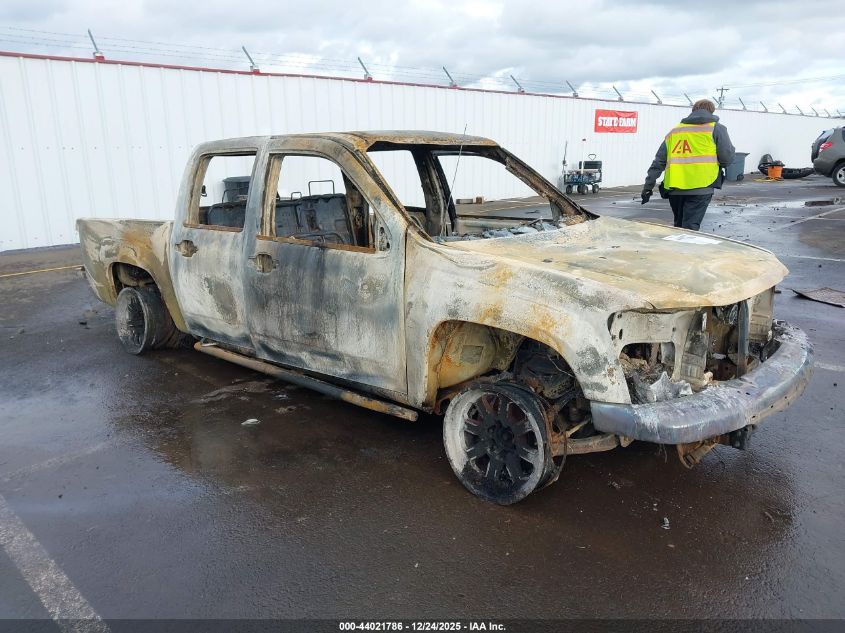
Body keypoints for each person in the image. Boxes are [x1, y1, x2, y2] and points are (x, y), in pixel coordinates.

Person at [641, 99, 735, 231]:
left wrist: (648, 187)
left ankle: (678, 250)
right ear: (711, 111)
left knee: (679, 227)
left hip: (675, 188)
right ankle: (685, 251)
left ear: (693, 110)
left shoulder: (675, 131)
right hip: (702, 186)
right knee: (690, 229)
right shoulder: (716, 129)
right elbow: (727, 159)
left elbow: (658, 162)